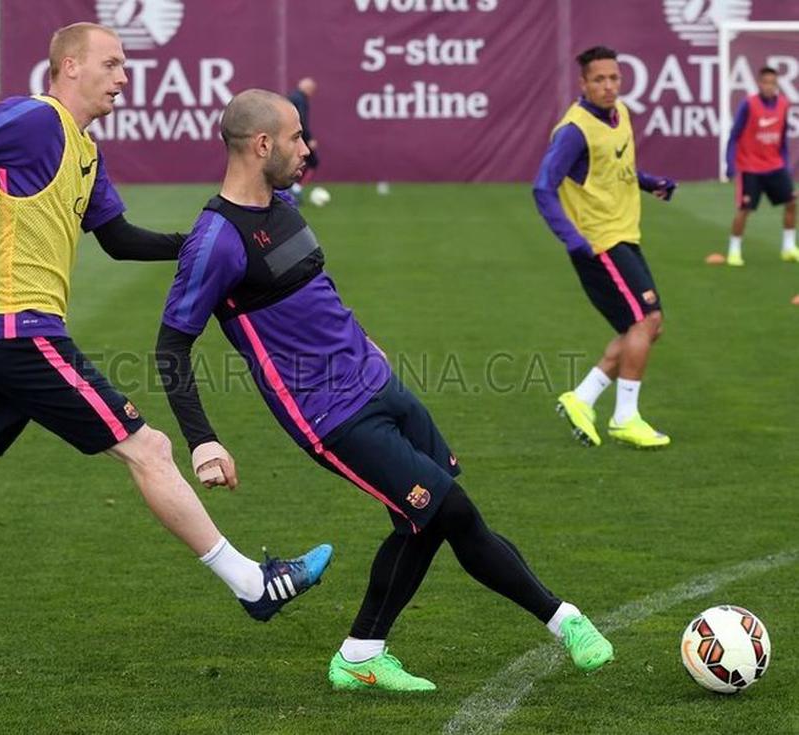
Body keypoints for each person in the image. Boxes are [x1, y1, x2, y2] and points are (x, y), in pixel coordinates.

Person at [0, 24, 331, 632]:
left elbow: (118, 239)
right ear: (69, 67)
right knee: (149, 447)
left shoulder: (84, 149)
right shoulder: (36, 120)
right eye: (111, 64)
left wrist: (206, 242)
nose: (123, 78)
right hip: (17, 328)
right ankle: (252, 584)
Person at [154, 88, 613, 692]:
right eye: (295, 137)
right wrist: (203, 441)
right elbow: (171, 347)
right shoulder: (217, 240)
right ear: (262, 144)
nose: (306, 147)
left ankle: (362, 652)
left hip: (378, 383)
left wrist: (364, 339)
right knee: (450, 509)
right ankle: (564, 620)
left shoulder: (282, 204)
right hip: (330, 414)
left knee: (427, 519)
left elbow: (315, 290)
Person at [533, 46, 676, 450]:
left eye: (614, 78)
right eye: (599, 79)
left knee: (646, 326)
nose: (608, 86)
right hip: (599, 244)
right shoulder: (574, 130)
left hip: (624, 235)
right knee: (646, 322)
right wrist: (574, 240)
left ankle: (581, 398)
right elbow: (542, 188)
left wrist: (650, 183)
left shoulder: (620, 114)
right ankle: (625, 418)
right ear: (583, 83)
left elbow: (617, 168)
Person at [724, 66, 797, 266]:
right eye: (765, 82)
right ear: (759, 83)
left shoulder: (784, 104)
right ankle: (734, 251)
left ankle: (789, 247)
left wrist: (785, 164)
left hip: (775, 165)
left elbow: (782, 137)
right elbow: (734, 135)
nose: (769, 86)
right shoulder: (749, 104)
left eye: (772, 83)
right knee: (745, 208)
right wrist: (729, 164)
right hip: (750, 167)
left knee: (791, 202)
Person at [286, 77, 318, 201]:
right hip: (298, 137)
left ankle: (291, 189)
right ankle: (295, 189)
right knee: (313, 162)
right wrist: (309, 139)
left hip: (288, 136)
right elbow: (301, 121)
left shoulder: (292, 97)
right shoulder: (301, 100)